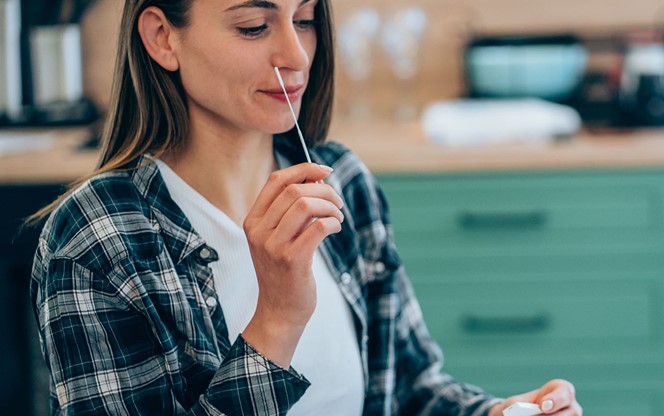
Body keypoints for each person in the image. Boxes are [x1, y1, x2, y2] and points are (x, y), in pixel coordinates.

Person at [30, 0, 583, 415]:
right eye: (253, 26)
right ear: (162, 38)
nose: (295, 56)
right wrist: (278, 319)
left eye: (305, 18)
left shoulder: (341, 179)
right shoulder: (96, 237)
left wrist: (498, 411)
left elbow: (409, 388)